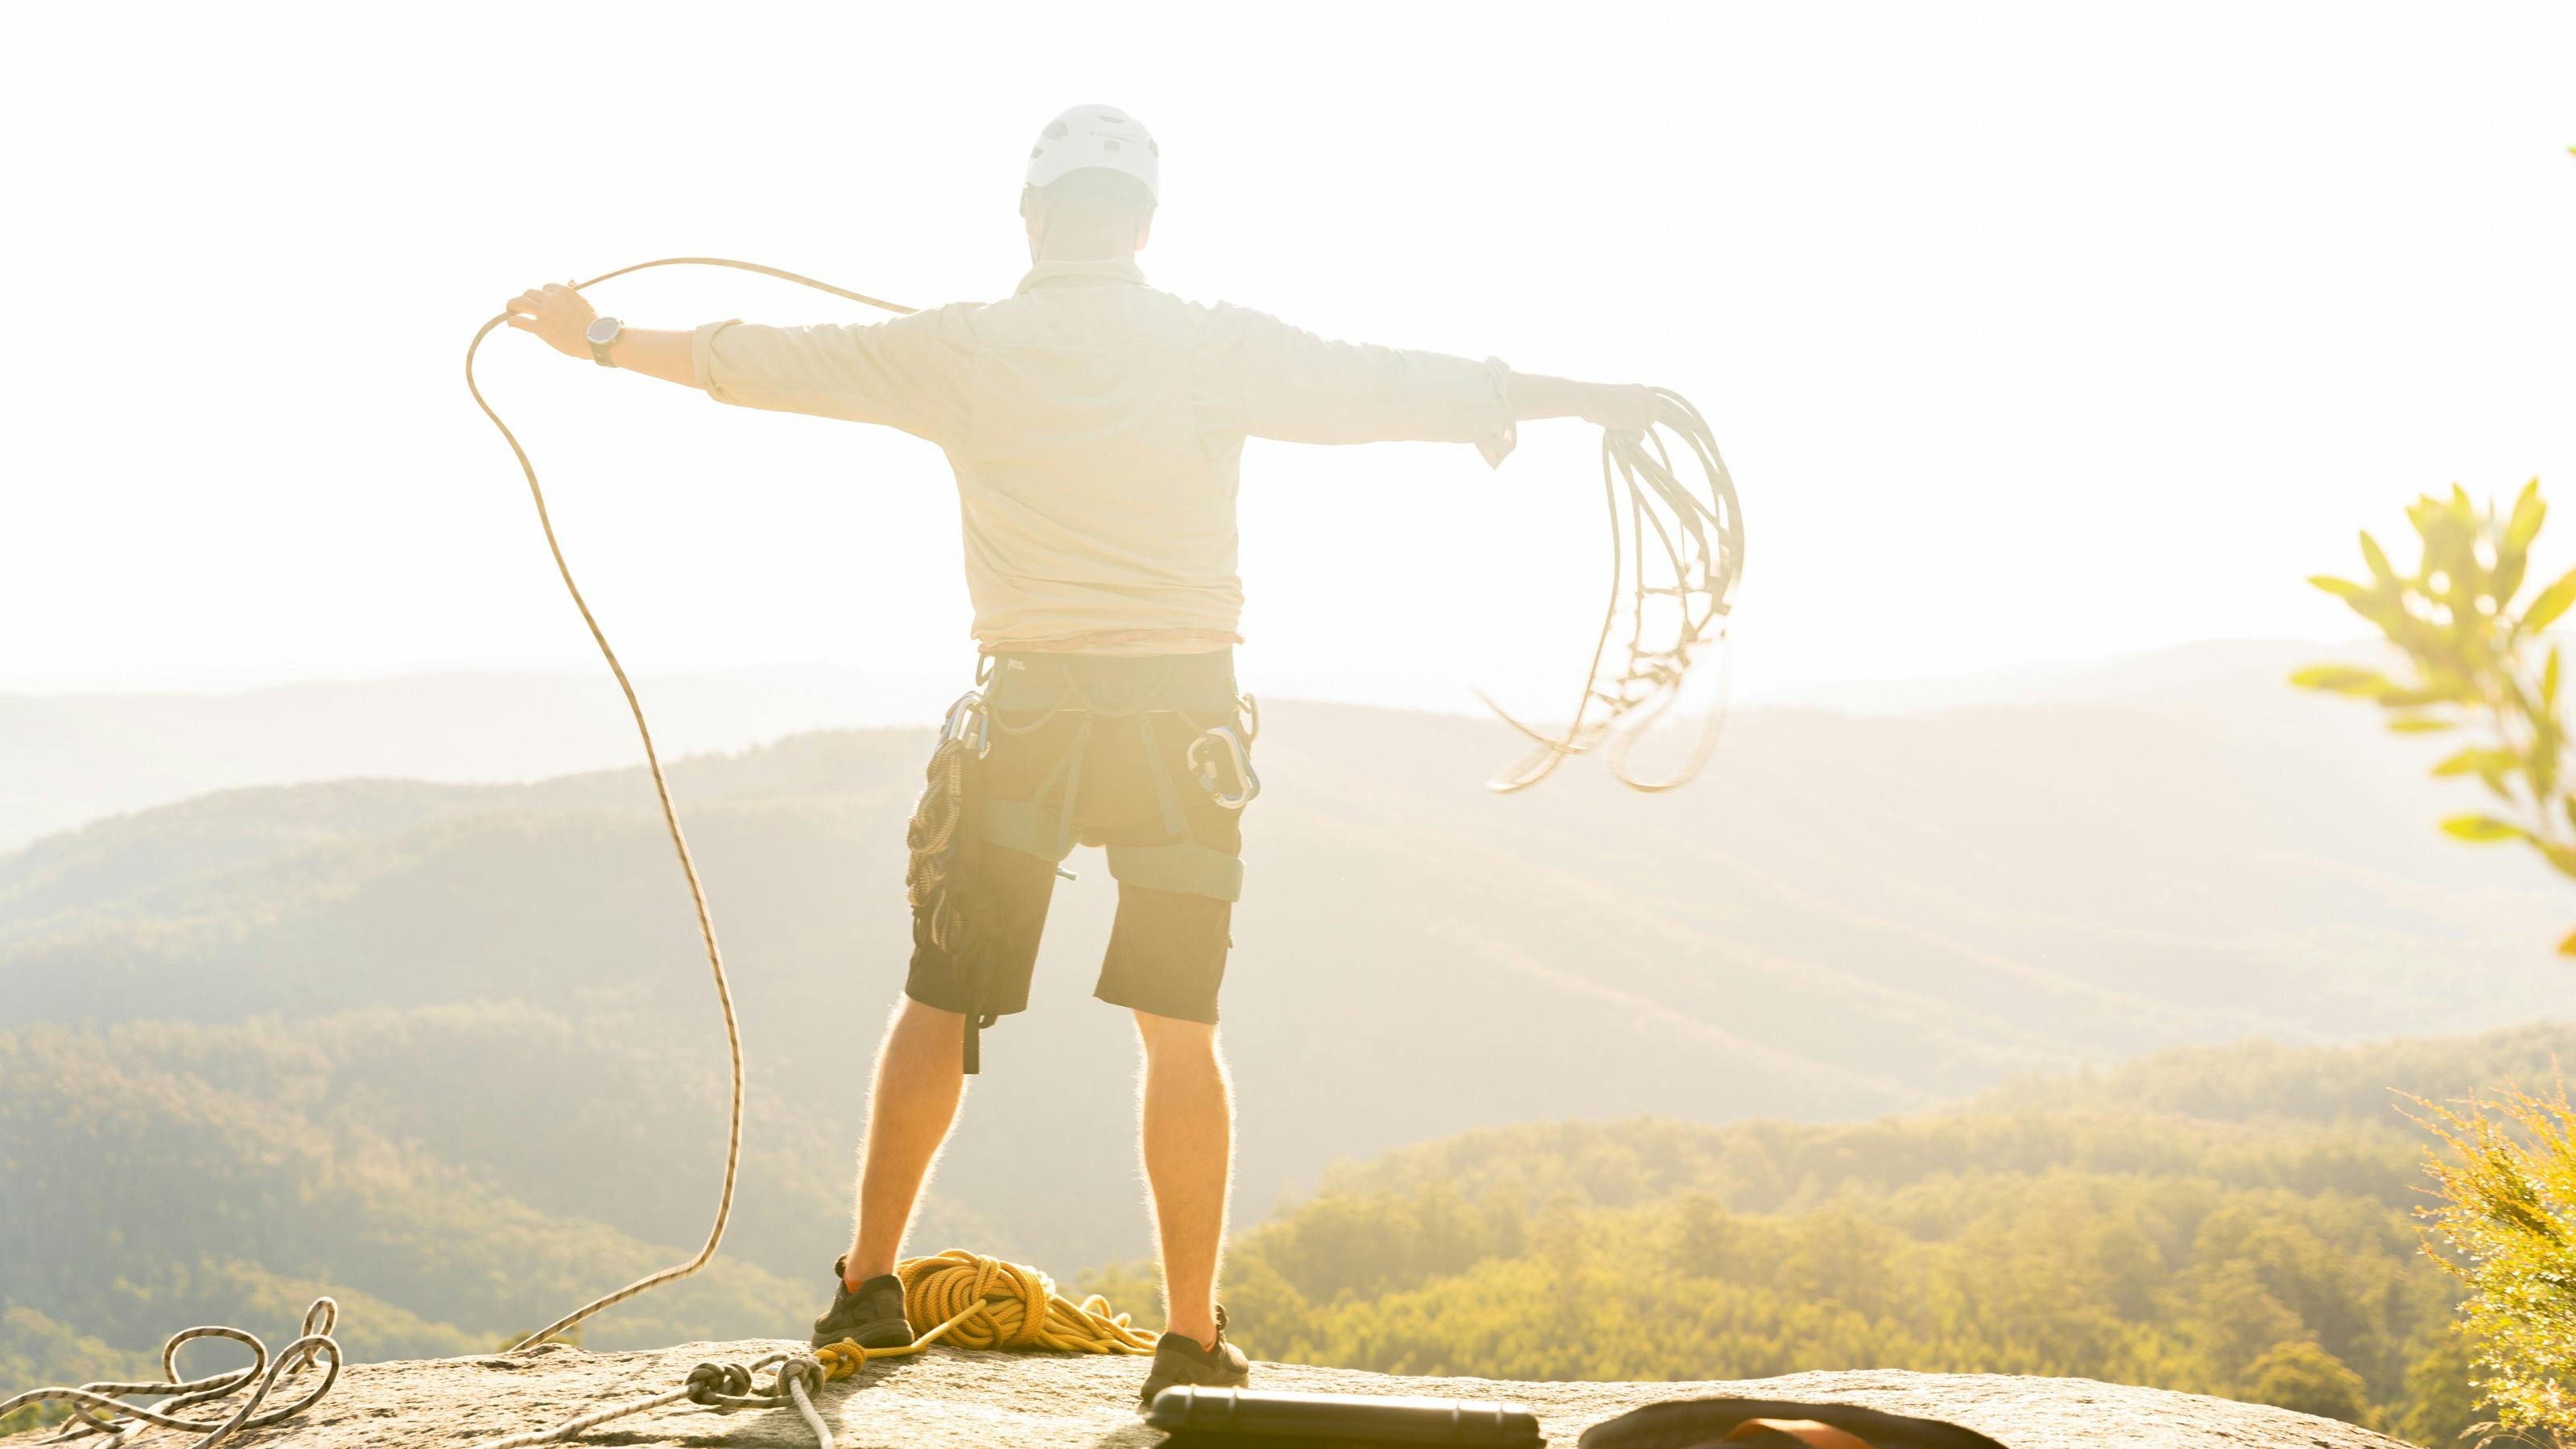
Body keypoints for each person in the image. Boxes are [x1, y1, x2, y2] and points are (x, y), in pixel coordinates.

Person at [502, 103, 1656, 1410]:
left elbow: (756, 360)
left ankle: (870, 1289)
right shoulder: (1214, 348)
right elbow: (1388, 384)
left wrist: (591, 336)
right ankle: (1187, 1334)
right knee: (1181, 1032)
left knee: (942, 997)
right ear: (1148, 222)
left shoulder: (965, 352)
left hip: (1029, 719)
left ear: (1033, 217)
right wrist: (1591, 401)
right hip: (1181, 727)